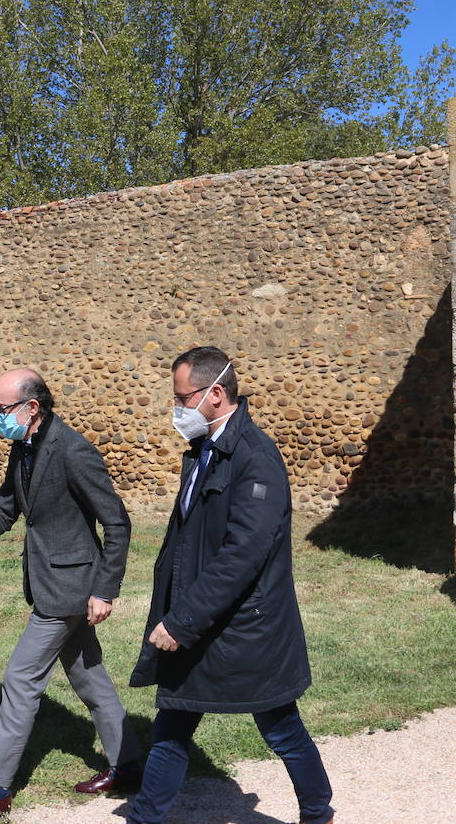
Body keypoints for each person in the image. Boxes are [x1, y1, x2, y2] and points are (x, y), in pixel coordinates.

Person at [125, 346, 334, 824]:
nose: (178, 409)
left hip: (245, 627)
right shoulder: (205, 452)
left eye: (183, 398)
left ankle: (318, 813)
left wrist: (182, 621)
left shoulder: (255, 457)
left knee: (281, 728)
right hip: (201, 620)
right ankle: (146, 817)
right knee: (173, 724)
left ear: (215, 394)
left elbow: (244, 554)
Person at [0, 369, 141, 822]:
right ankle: (128, 763)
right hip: (50, 582)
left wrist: (105, 590)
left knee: (20, 679)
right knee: (89, 677)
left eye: (1, 408)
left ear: (32, 408)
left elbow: (117, 522)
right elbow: (8, 507)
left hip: (70, 590)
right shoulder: (23, 446)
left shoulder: (73, 450)